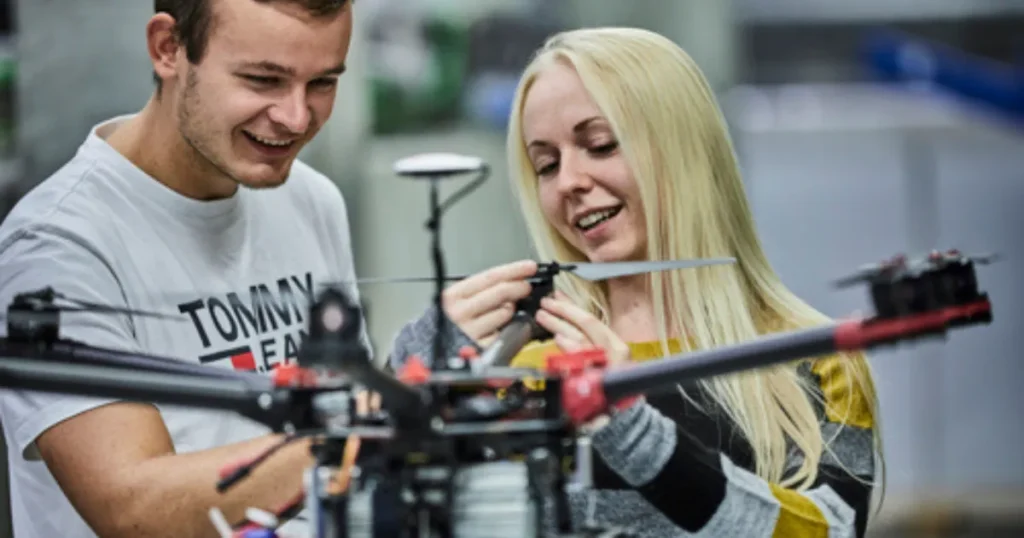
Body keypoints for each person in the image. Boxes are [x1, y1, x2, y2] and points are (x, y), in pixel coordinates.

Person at [391, 27, 883, 537]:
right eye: (547, 164)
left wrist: (632, 432)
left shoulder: (814, 358)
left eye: (600, 145)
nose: (569, 182)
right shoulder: (524, 370)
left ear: (684, 148)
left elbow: (832, 531)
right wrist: (408, 387)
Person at [0, 1, 396, 537]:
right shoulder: (56, 245)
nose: (296, 118)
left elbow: (345, 423)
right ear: (169, 48)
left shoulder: (311, 200)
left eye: (322, 82)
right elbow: (134, 510)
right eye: (262, 80)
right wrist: (376, 428)